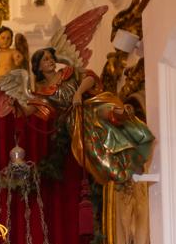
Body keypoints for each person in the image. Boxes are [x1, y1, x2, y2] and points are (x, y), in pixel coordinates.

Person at [30, 45, 153, 187]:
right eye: (46, 59)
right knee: (94, 150)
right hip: (75, 124)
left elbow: (90, 77)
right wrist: (15, 103)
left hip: (87, 107)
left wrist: (79, 92)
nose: (51, 61)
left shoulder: (68, 72)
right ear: (39, 67)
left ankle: (123, 116)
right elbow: (30, 109)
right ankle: (119, 175)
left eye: (51, 57)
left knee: (108, 118)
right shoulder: (43, 93)